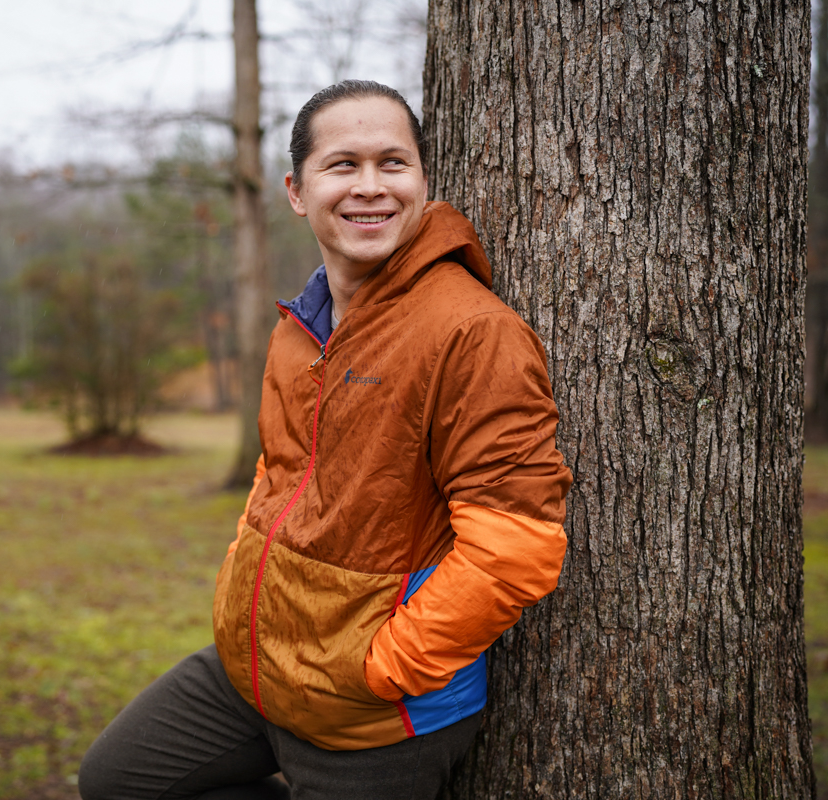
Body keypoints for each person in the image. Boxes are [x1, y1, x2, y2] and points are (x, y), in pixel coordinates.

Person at [79, 80, 572, 800]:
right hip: (259, 671)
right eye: (343, 165)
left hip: (376, 718)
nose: (370, 187)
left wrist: (383, 668)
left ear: (423, 182)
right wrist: (239, 593)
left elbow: (516, 545)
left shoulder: (472, 332)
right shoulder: (299, 327)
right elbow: (278, 476)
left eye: (393, 164)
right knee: (117, 780)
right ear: (297, 191)